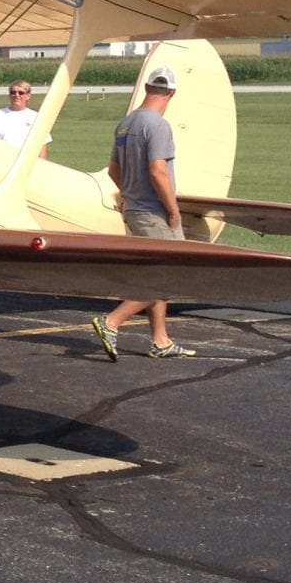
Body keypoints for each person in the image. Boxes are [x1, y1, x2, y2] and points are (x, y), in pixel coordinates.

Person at [89, 63, 197, 360]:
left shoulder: (126, 123)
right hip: (154, 212)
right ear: (171, 93)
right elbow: (158, 169)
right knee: (169, 276)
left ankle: (160, 341)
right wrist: (173, 210)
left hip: (134, 209)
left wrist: (129, 192)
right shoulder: (158, 125)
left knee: (156, 275)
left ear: (148, 88)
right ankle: (111, 321)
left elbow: (113, 170)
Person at [0, 80, 42, 151]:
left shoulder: (35, 116)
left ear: (28, 96)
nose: (16, 95)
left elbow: (42, 144)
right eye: (13, 92)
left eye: (21, 93)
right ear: (9, 95)